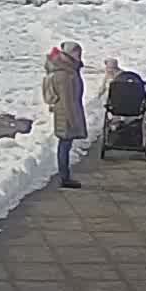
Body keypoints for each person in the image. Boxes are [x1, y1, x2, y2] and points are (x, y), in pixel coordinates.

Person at [41, 41, 87, 189]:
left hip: (66, 112)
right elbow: (67, 100)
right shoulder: (64, 74)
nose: (79, 56)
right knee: (64, 145)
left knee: (65, 144)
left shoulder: (69, 70)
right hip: (66, 114)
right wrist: (73, 121)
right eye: (77, 53)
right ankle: (64, 177)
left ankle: (65, 176)